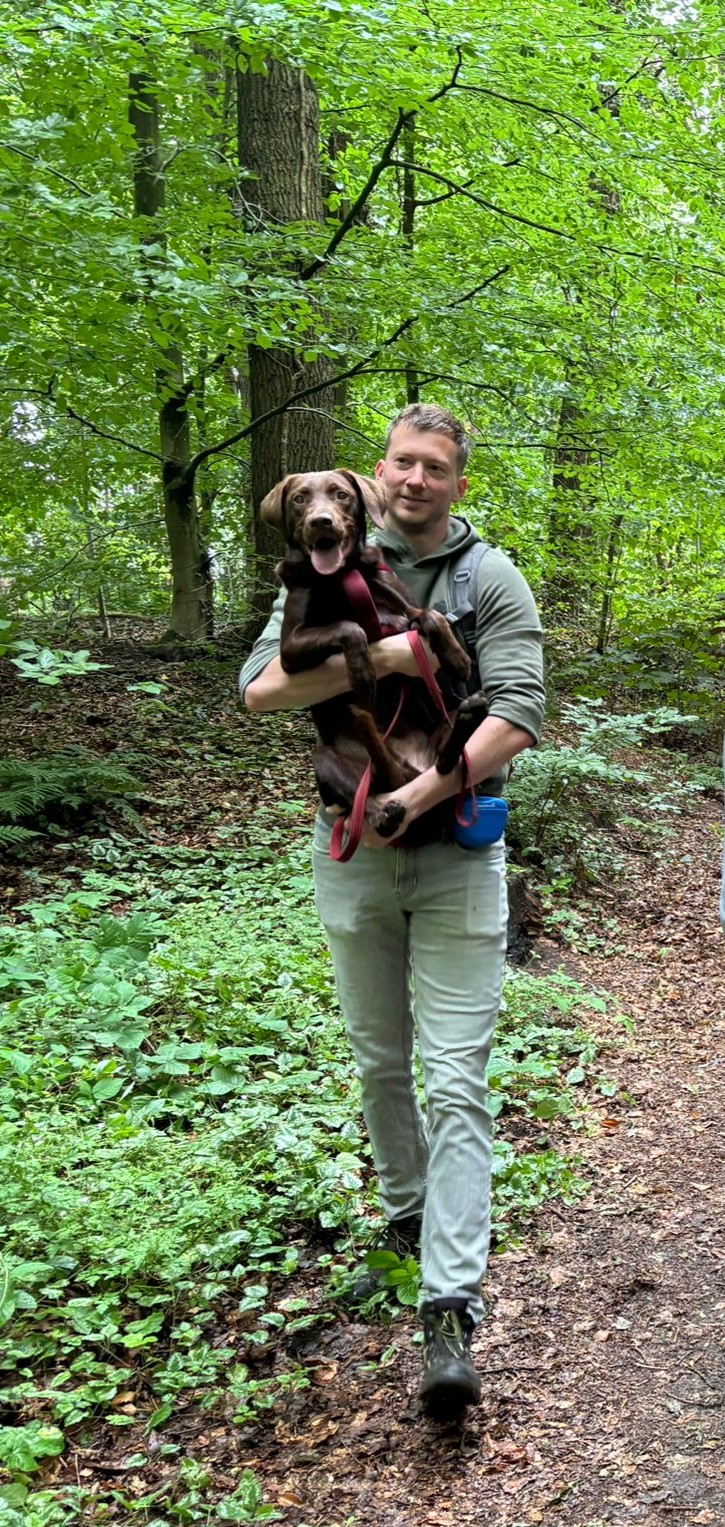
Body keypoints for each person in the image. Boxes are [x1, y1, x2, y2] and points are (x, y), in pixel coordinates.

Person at [239, 403, 545, 1419]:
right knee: (379, 1061)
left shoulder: (487, 577)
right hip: (352, 858)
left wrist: (418, 794)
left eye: (434, 468)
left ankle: (449, 1305)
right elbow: (260, 692)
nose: (415, 479)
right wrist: (387, 658)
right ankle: (407, 1212)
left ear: (456, 483)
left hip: (454, 854)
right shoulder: (321, 566)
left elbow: (518, 711)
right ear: (377, 476)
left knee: (454, 1079)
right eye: (401, 463)